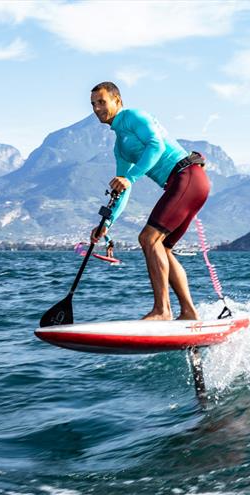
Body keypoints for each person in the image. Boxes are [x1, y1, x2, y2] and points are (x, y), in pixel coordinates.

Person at [89, 81, 210, 321]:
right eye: (93, 104)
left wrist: (130, 177)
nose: (97, 108)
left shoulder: (134, 117)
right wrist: (107, 223)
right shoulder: (120, 146)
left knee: (148, 238)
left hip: (187, 177)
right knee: (162, 248)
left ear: (117, 101)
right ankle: (188, 313)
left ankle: (162, 311)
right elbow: (123, 188)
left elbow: (156, 145)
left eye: (102, 102)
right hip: (187, 184)